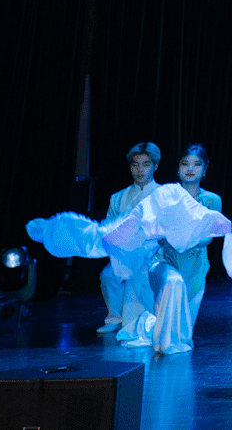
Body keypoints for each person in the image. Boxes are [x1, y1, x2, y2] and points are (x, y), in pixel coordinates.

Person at [121, 144, 222, 355]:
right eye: (185, 164)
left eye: (196, 164)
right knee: (173, 283)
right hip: (165, 261)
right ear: (178, 169)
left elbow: (207, 239)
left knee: (182, 334)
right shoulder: (165, 196)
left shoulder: (212, 200)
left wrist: (182, 238)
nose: (190, 169)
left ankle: (147, 326)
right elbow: (157, 235)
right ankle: (156, 335)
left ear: (205, 169)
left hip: (195, 267)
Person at [98, 142, 161, 335]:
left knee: (140, 275)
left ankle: (146, 321)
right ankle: (115, 317)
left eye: (146, 164)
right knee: (108, 275)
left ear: (155, 166)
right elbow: (109, 227)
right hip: (124, 254)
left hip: (153, 254)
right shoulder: (118, 198)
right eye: (135, 165)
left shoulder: (163, 195)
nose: (140, 170)